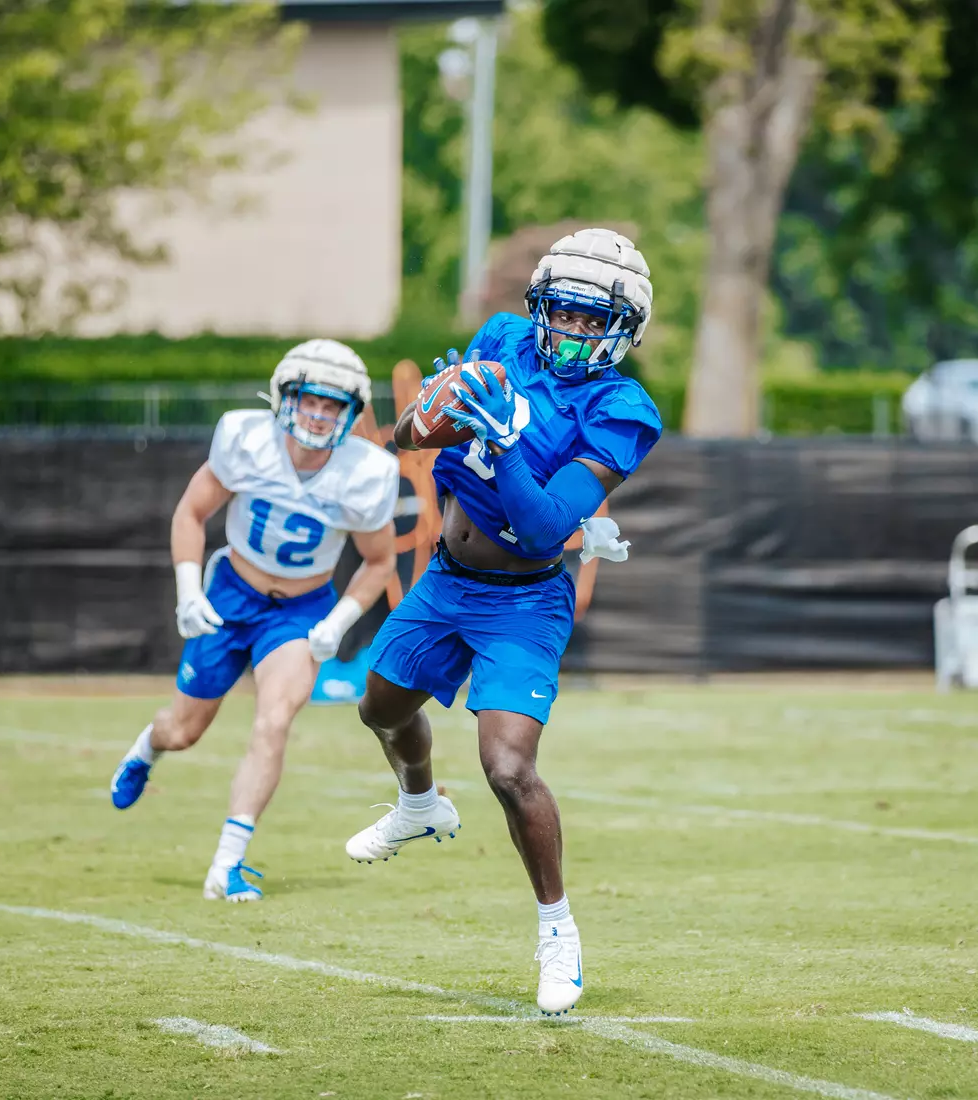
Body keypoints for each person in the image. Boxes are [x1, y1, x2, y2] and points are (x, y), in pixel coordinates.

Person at [346, 228, 662, 1014]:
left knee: (509, 768)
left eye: (594, 320)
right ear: (538, 304)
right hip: (447, 579)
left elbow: (550, 524)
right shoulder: (502, 342)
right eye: (563, 311)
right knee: (377, 707)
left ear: (623, 330)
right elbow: (408, 440)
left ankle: (558, 932)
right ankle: (420, 804)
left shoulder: (624, 408)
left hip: (525, 596)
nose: (572, 330)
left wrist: (508, 443)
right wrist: (431, 420)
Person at [109, 339, 400, 902]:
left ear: (350, 413)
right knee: (185, 731)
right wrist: (188, 589)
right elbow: (192, 512)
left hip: (298, 611)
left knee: (274, 721)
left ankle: (228, 862)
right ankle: (149, 745)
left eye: (332, 405)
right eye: (310, 400)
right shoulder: (248, 440)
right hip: (229, 594)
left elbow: (379, 560)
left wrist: (339, 620)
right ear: (286, 398)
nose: (318, 414)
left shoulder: (365, 471)